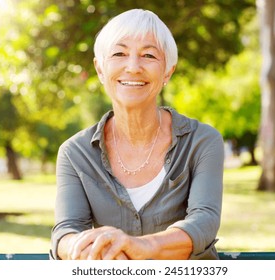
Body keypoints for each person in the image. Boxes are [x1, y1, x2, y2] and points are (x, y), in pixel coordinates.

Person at [51, 8, 224, 260]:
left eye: (149, 55)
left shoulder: (202, 141)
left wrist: (140, 247)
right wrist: (87, 249)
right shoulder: (74, 153)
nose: (133, 67)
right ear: (100, 70)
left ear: (167, 71)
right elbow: (65, 232)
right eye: (119, 53)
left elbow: (204, 222)